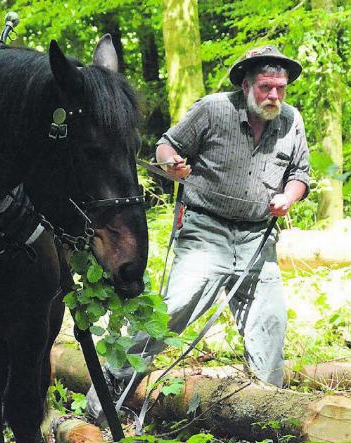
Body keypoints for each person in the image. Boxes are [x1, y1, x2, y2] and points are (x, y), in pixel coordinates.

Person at [86, 45, 311, 422]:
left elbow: (301, 173)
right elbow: (166, 145)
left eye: (280, 88)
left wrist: (289, 197)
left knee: (271, 321)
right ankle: (107, 387)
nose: (274, 96)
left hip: (258, 237)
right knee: (173, 308)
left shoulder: (291, 120)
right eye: (265, 88)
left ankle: (270, 412)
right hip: (207, 229)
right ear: (245, 85)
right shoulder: (213, 110)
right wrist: (171, 164)